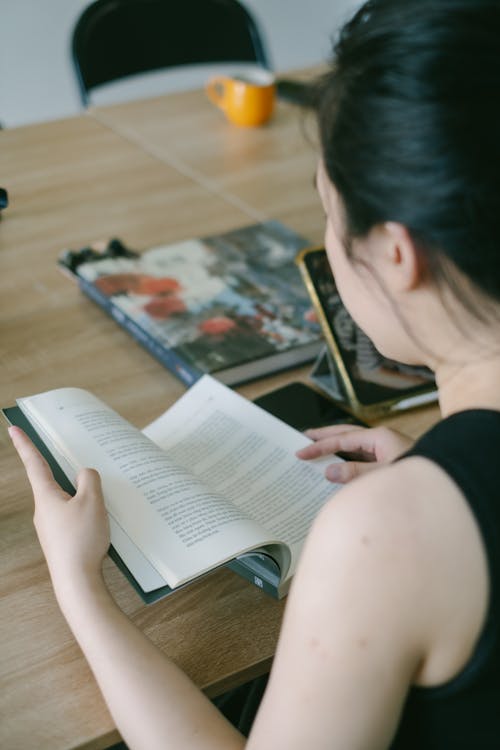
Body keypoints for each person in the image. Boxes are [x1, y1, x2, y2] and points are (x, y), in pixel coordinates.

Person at [8, 0, 500, 746]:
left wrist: (79, 587)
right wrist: (438, 470)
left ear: (398, 256)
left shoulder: (384, 538)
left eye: (330, 217)